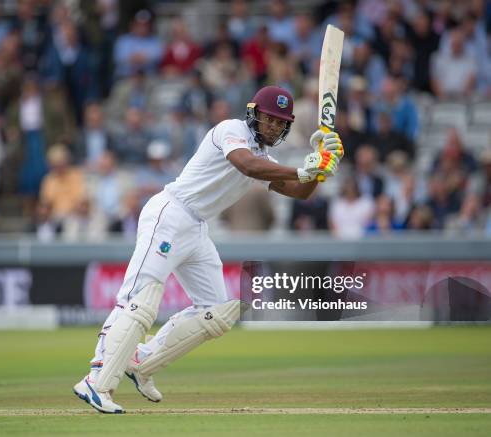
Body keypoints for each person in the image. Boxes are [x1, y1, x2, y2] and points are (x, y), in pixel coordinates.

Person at [73, 86, 343, 413]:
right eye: (269, 119)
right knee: (140, 300)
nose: (273, 126)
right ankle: (97, 380)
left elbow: (301, 193)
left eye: (280, 122)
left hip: (197, 228)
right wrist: (303, 168)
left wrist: (322, 169)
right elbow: (247, 166)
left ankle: (141, 363)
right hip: (170, 214)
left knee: (216, 312)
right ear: (253, 113)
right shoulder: (230, 131)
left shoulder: (266, 158)